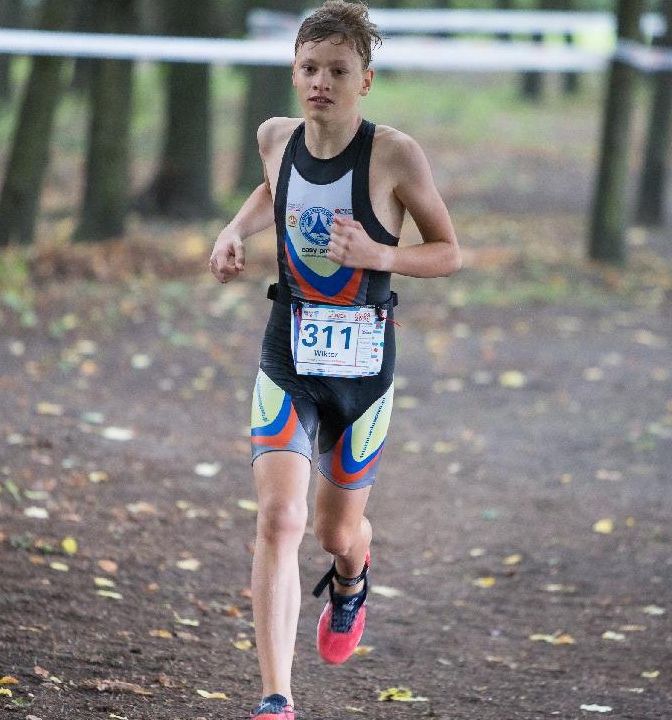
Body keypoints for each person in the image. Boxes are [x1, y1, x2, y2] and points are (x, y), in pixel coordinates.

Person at [209, 2, 460, 717]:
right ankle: (276, 699)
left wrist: (381, 253)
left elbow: (450, 250)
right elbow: (272, 189)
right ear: (294, 71)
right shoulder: (274, 137)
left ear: (366, 80)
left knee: (334, 532)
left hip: (363, 370)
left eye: (338, 71)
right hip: (288, 353)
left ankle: (352, 578)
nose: (321, 82)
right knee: (280, 519)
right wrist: (234, 230)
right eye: (310, 68)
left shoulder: (395, 156)